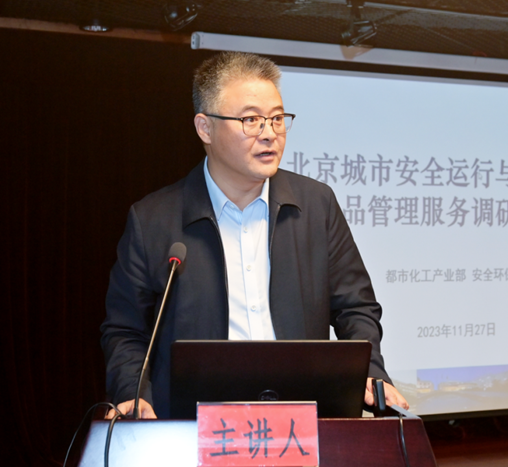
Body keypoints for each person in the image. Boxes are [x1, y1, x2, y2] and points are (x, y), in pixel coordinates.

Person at [100, 51, 408, 419]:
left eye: (277, 119)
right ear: (205, 128)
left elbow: (355, 307)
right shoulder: (154, 219)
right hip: (196, 424)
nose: (270, 133)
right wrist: (133, 393)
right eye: (251, 120)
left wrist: (370, 372)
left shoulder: (316, 205)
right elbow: (126, 330)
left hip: (301, 420)